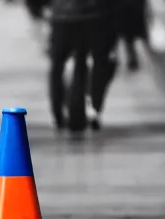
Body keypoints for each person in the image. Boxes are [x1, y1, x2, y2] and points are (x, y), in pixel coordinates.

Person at [49, 0, 122, 134]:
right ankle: (94, 106)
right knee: (100, 59)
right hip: (97, 13)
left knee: (58, 63)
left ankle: (58, 112)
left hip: (63, 14)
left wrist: (37, 7)